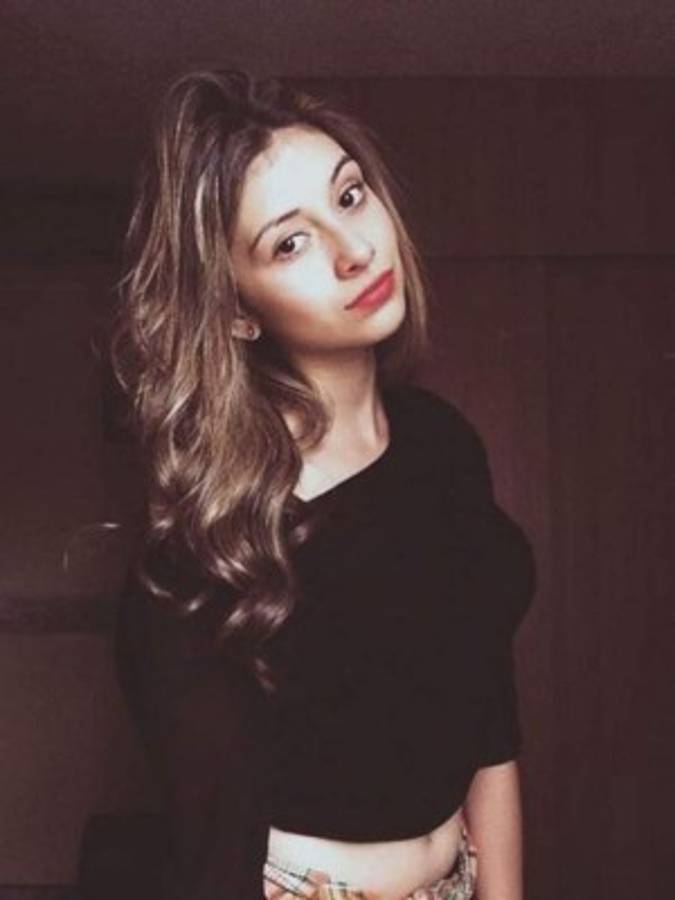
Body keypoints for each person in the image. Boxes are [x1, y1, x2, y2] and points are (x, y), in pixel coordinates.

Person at [111, 68, 536, 900]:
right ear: (237, 311)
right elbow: (213, 847)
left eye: (348, 196)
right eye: (290, 243)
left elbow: (489, 713)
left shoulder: (440, 441)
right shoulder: (215, 541)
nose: (355, 251)